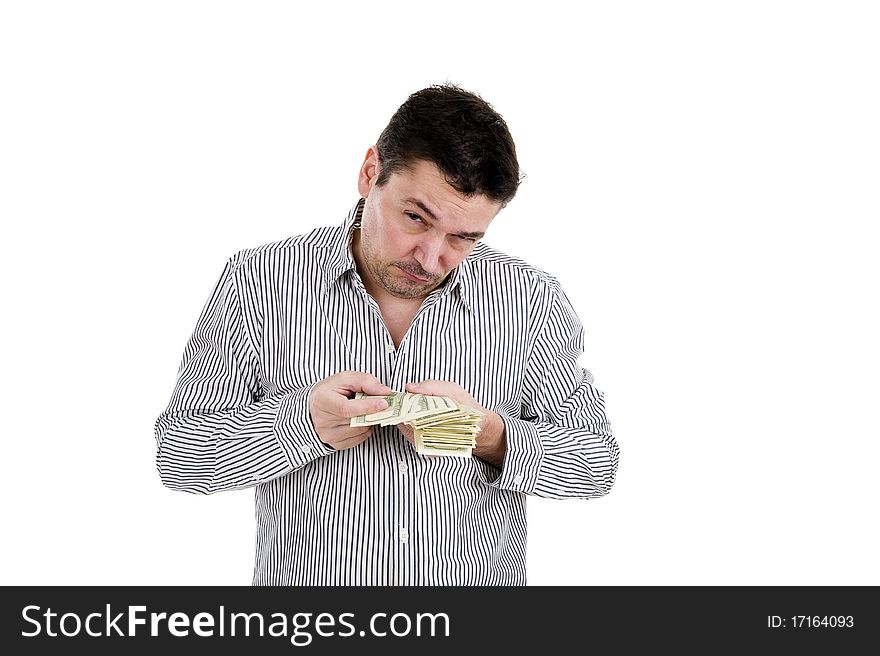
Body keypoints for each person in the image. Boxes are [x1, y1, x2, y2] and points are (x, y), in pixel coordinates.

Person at [154, 83, 619, 585]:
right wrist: (302, 426)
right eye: (416, 218)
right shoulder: (259, 281)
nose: (430, 257)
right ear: (370, 172)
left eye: (464, 237)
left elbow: (597, 463)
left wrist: (489, 437)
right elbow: (178, 457)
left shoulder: (530, 299)